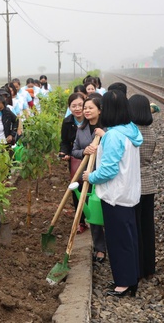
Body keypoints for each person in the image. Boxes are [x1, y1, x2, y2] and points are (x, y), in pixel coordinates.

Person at [82, 90, 142, 297]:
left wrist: (91, 176)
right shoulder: (130, 129)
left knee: (118, 241)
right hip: (129, 194)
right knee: (129, 237)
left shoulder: (114, 136)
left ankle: (124, 283)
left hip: (115, 196)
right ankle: (131, 278)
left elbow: (108, 170)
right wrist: (104, 136)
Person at [71, 94, 107, 258]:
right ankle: (99, 248)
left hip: (106, 175)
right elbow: (75, 151)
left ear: (100, 110)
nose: (86, 110)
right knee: (93, 212)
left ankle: (112, 244)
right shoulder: (81, 130)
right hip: (88, 176)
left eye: (90, 108)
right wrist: (84, 151)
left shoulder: (107, 129)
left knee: (108, 210)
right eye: (85, 108)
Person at [129, 94, 157, 279]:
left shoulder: (131, 133)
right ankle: (149, 267)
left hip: (133, 184)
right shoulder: (150, 132)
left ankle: (137, 267)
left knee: (135, 228)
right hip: (148, 183)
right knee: (147, 228)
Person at [59, 92, 88, 230]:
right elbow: (64, 142)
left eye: (80, 105)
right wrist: (64, 152)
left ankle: (94, 218)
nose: (77, 109)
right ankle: (80, 221)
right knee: (77, 188)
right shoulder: (67, 122)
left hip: (92, 158)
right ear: (69, 108)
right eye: (73, 106)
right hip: (76, 159)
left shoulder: (91, 119)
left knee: (92, 188)